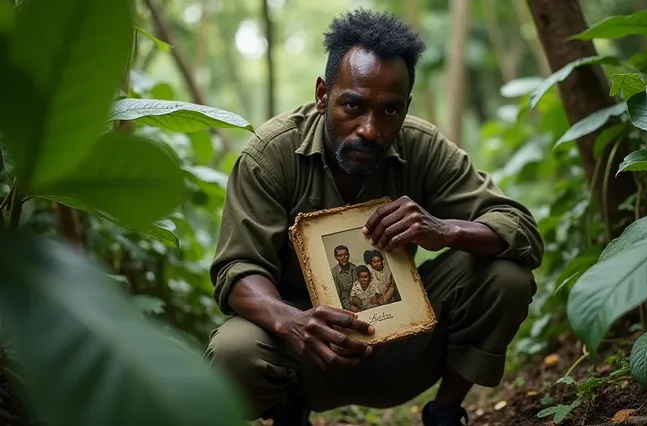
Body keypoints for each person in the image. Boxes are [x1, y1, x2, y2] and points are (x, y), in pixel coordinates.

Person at [205, 7, 543, 426]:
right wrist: (291, 322)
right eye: (354, 105)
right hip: (302, 352)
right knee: (234, 351)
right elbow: (238, 269)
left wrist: (445, 230)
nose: (370, 129)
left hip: (402, 347)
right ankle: (288, 409)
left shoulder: (422, 146)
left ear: (406, 107)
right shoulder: (270, 155)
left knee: (506, 277)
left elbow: (519, 227)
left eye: (389, 111)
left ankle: (445, 412)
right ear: (322, 94)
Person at [331, 245, 357, 309]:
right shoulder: (333, 274)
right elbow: (337, 296)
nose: (343, 257)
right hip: (344, 306)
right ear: (335, 257)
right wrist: (349, 307)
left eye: (345, 255)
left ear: (349, 255)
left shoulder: (355, 268)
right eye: (340, 256)